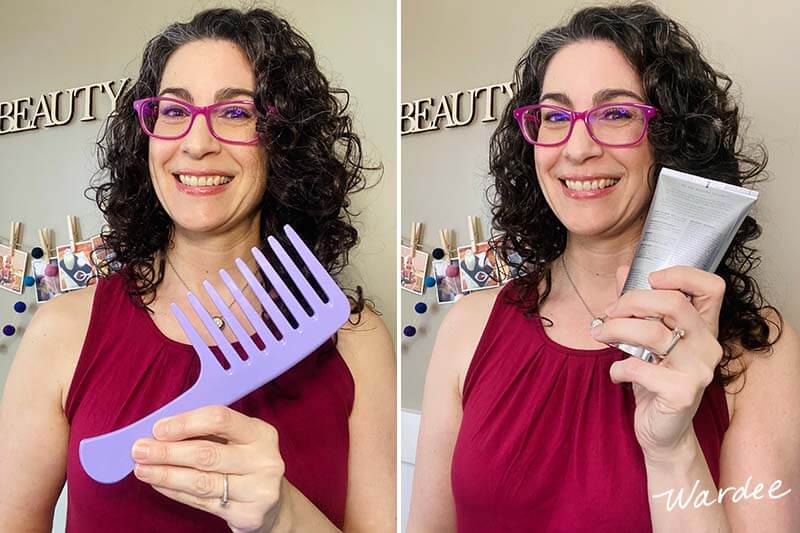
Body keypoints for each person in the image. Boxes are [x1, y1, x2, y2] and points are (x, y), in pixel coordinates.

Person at [408, 3, 800, 532]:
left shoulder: (756, 352)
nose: (577, 148)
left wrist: (672, 450)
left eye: (616, 113)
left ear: (671, 138)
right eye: (555, 116)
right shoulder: (467, 327)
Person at [0, 7, 395, 532]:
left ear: (283, 140)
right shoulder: (61, 332)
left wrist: (283, 515)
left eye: (236, 113)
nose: (197, 142)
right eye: (173, 110)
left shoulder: (354, 341)